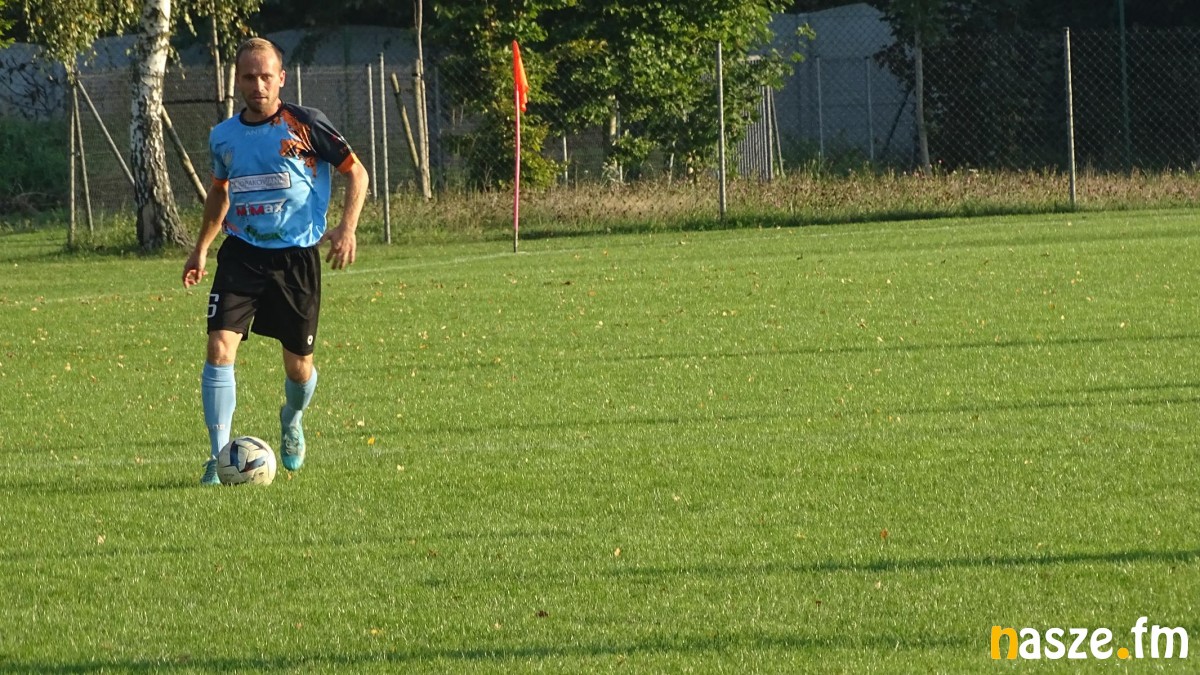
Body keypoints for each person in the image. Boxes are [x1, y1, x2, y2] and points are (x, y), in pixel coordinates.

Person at [182, 37, 369, 485]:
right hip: (241, 255)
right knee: (218, 347)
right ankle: (218, 458)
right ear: (238, 80)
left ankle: (292, 418)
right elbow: (220, 193)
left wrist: (347, 228)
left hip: (295, 260)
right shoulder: (223, 136)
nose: (258, 85)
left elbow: (356, 172)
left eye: (266, 76)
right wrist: (202, 246)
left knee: (298, 367)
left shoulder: (306, 124)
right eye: (249, 77)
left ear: (281, 78)